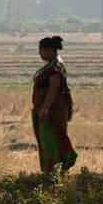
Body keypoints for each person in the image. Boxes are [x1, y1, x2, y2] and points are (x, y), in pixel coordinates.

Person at [32, 36, 77, 175]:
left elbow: (53, 88)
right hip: (45, 109)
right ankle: (51, 169)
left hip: (53, 111)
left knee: (51, 139)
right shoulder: (51, 65)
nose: (39, 54)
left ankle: (55, 169)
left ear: (50, 50)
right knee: (46, 139)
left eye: (41, 51)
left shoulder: (55, 67)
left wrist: (45, 108)